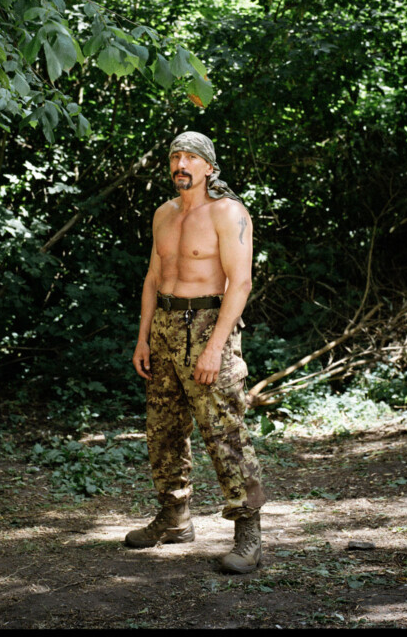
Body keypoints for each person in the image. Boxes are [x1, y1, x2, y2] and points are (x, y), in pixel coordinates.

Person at [126, 131, 265, 573]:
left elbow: (240, 283)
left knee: (224, 430)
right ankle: (174, 518)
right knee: (163, 429)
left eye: (190, 157)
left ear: (209, 167)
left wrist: (215, 347)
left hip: (207, 324)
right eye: (175, 157)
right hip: (164, 327)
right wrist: (143, 337)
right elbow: (152, 278)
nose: (181, 164)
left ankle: (248, 534)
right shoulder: (163, 214)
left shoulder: (229, 213)